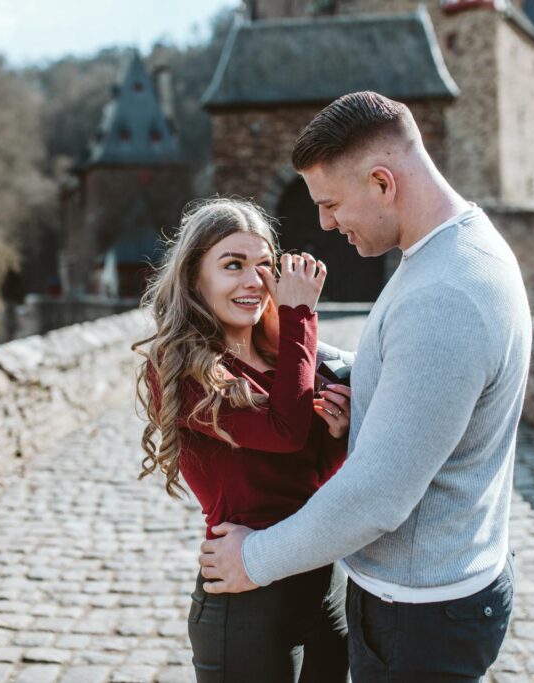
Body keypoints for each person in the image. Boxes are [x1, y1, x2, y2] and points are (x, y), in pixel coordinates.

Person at [197, 92, 533, 682]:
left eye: (330, 203)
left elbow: (376, 497)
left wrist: (253, 558)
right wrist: (269, 348)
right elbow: (403, 366)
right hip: (422, 598)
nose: (325, 223)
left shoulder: (446, 296)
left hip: (423, 618)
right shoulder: (445, 255)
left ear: (383, 182)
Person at [132, 198, 354, 682]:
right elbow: (284, 431)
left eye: (264, 267)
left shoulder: (283, 359)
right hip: (249, 602)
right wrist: (298, 313)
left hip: (324, 585)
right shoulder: (181, 367)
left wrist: (338, 432)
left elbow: (313, 474)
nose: (254, 282)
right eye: (233, 265)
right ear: (194, 277)